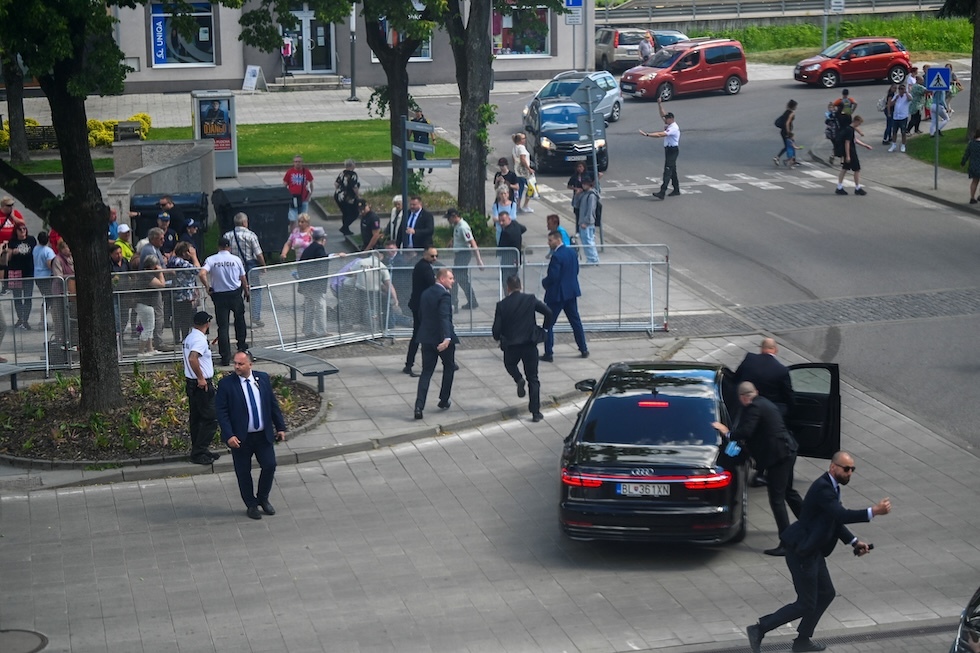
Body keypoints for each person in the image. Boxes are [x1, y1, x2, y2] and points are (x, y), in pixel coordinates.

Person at [746, 451, 892, 653]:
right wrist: (873, 511)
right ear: (833, 467)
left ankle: (802, 641)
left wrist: (854, 542)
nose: (850, 473)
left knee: (826, 593)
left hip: (813, 551)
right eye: (846, 469)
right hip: (801, 551)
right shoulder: (823, 488)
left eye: (852, 470)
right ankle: (759, 628)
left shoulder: (832, 487)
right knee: (806, 603)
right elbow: (841, 514)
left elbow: (834, 519)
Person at [712, 382, 803, 555]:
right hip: (787, 451)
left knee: (777, 499)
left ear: (743, 398)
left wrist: (727, 432)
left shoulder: (753, 408)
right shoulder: (764, 403)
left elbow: (746, 431)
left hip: (779, 457)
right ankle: (810, 523)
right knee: (788, 492)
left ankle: (787, 543)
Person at [215, 350, 287, 520]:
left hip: (262, 436)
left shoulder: (262, 379)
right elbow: (221, 412)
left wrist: (280, 427)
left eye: (240, 364)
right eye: (235, 363)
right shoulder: (227, 384)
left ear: (250, 364)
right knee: (243, 472)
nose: (237, 367)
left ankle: (263, 498)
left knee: (269, 465)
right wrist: (229, 435)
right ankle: (251, 504)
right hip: (241, 438)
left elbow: (272, 404)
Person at [492, 275, 553, 423]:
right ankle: (535, 412)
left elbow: (496, 330)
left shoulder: (502, 305)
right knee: (533, 378)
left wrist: (500, 337)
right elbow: (548, 312)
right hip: (529, 343)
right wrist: (544, 327)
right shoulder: (530, 299)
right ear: (521, 286)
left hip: (512, 345)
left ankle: (518, 378)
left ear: (508, 288)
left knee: (510, 364)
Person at [413, 267, 458, 420]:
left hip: (426, 337)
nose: (453, 281)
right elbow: (444, 317)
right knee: (449, 367)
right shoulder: (444, 295)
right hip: (441, 338)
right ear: (441, 279)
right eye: (450, 278)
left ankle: (419, 406)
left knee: (426, 372)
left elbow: (420, 314)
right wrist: (447, 338)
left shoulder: (426, 293)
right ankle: (444, 399)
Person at [198, 236, 249, 367]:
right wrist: (247, 291)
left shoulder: (211, 259)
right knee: (239, 320)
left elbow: (202, 273)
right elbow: (242, 277)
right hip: (235, 293)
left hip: (219, 295)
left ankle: (225, 356)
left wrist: (207, 286)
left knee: (223, 326)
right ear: (229, 247)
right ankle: (242, 347)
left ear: (218, 247)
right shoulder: (236, 259)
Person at [542, 229, 588, 362]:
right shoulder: (572, 252)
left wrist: (544, 282)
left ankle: (548, 353)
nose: (548, 243)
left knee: (548, 323)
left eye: (550, 240)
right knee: (575, 321)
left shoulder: (557, 256)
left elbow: (553, 276)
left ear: (558, 240)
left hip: (557, 295)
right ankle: (583, 348)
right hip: (571, 292)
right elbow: (576, 270)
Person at [183, 311, 220, 465]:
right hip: (201, 384)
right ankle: (199, 452)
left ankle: (200, 449)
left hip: (191, 383)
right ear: (207, 323)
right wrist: (201, 378)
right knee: (211, 418)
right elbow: (193, 358)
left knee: (197, 418)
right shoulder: (199, 339)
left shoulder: (190, 337)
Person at [223, 212, 266, 327]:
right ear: (244, 222)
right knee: (255, 291)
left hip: (233, 268)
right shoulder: (251, 235)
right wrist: (263, 266)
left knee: (237, 292)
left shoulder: (228, 236)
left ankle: (238, 316)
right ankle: (255, 317)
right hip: (249, 268)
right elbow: (258, 254)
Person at [735, 337, 794, 417]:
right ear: (776, 350)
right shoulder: (782, 370)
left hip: (744, 406)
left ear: (761, 349)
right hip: (768, 410)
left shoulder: (749, 358)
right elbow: (788, 394)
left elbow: (736, 377)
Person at [404, 246, 437, 378]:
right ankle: (409, 364)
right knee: (421, 335)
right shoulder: (425, 268)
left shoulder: (422, 266)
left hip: (419, 305)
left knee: (419, 335)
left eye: (436, 256)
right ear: (425, 255)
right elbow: (432, 284)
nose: (434, 258)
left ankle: (409, 364)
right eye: (432, 256)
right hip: (421, 307)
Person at [641, 97, 680, 200]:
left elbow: (659, 135)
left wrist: (647, 135)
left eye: (666, 119)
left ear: (671, 119)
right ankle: (676, 189)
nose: (664, 120)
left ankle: (662, 192)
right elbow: (662, 114)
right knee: (673, 171)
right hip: (669, 150)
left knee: (667, 171)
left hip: (672, 150)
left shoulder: (673, 128)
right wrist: (659, 104)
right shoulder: (670, 123)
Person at [446, 208, 483, 312]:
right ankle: (471, 301)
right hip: (459, 255)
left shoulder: (463, 227)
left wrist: (479, 260)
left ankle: (455, 303)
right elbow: (457, 236)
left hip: (464, 255)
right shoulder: (457, 225)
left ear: (454, 216)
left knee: (455, 279)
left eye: (449, 218)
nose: (448, 221)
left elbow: (473, 243)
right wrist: (452, 242)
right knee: (461, 280)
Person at [298, 227, 330, 338]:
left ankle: (308, 330)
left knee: (309, 306)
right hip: (315, 284)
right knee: (320, 305)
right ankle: (321, 331)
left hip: (306, 283)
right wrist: (334, 256)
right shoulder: (319, 248)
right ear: (323, 238)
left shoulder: (309, 248)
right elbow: (323, 260)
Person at [166, 241, 201, 343]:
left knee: (178, 317)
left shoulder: (174, 260)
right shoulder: (180, 262)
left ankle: (179, 337)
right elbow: (197, 270)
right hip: (183, 295)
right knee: (184, 318)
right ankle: (183, 338)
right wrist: (194, 257)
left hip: (180, 294)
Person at [4, 222, 36, 329]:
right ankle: (20, 318)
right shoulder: (12, 242)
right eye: (20, 229)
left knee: (28, 297)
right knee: (17, 297)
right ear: (16, 231)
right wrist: (12, 251)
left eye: (24, 229)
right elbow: (7, 257)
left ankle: (25, 320)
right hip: (16, 271)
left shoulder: (31, 240)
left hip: (28, 272)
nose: (22, 231)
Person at [135, 255, 166, 357]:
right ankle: (140, 351)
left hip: (146, 305)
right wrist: (160, 272)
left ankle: (150, 349)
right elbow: (162, 284)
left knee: (149, 327)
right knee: (148, 328)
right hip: (144, 305)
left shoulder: (147, 274)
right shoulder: (147, 275)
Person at [835, 114, 872, 196]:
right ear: (856, 121)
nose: (859, 125)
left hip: (848, 152)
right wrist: (848, 156)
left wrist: (865, 145)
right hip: (850, 152)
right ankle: (857, 188)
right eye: (859, 123)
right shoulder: (850, 130)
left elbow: (854, 140)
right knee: (857, 169)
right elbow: (847, 142)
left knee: (844, 168)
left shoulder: (848, 129)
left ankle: (839, 187)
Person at [283, 154, 314, 232]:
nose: (297, 163)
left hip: (303, 199)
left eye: (299, 162)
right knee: (292, 219)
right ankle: (293, 235)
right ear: (293, 162)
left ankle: (303, 234)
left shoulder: (306, 172)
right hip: (293, 199)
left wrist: (308, 197)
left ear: (302, 162)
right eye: (296, 162)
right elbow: (284, 186)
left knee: (304, 219)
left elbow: (311, 185)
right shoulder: (289, 172)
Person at [33, 231, 55, 333]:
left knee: (46, 299)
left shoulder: (35, 249)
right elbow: (49, 264)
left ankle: (43, 320)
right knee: (51, 299)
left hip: (37, 276)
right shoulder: (48, 251)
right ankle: (47, 321)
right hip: (46, 277)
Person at [576, 176, 600, 264]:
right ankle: (592, 258)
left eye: (584, 184)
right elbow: (576, 205)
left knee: (588, 241)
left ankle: (592, 259)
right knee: (587, 240)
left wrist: (586, 222)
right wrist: (577, 195)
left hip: (587, 223)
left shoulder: (591, 195)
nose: (583, 185)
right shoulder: (584, 194)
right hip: (583, 221)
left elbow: (591, 210)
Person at [496, 210, 526, 283]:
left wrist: (498, 253)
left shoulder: (506, 233)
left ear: (509, 218)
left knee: (507, 280)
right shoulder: (515, 224)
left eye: (503, 221)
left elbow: (501, 247)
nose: (501, 223)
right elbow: (524, 229)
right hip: (517, 258)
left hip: (508, 259)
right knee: (515, 278)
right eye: (499, 221)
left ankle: (509, 293)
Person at [334, 159, 360, 236]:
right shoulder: (353, 174)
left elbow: (336, 184)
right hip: (348, 197)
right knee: (355, 213)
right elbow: (354, 186)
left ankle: (346, 229)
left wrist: (339, 191)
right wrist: (358, 196)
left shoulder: (342, 173)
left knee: (345, 213)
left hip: (338, 196)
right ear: (352, 166)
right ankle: (344, 227)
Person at [511, 133, 535, 213]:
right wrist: (529, 169)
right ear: (520, 140)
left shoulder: (514, 148)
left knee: (520, 189)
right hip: (524, 172)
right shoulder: (521, 148)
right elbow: (523, 159)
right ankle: (525, 205)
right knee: (531, 188)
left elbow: (514, 160)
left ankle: (517, 206)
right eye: (523, 138)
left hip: (518, 171)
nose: (525, 140)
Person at [887, 83, 912, 153]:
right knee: (894, 132)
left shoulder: (907, 96)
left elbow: (910, 99)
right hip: (896, 117)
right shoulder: (896, 96)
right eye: (900, 89)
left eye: (902, 89)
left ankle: (903, 145)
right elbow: (891, 104)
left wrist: (906, 92)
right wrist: (895, 99)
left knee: (903, 132)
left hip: (903, 117)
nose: (901, 90)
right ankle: (893, 145)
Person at [409, 108, 435, 175]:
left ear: (421, 113)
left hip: (423, 140)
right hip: (416, 140)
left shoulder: (425, 121)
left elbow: (431, 130)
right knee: (417, 156)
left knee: (420, 155)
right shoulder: (413, 121)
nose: (417, 113)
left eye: (418, 112)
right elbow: (410, 131)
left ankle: (423, 169)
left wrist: (433, 139)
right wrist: (407, 138)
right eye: (416, 112)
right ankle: (423, 167)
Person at [774, 99, 799, 168]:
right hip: (786, 132)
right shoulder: (791, 113)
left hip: (783, 131)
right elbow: (787, 123)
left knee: (788, 146)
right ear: (793, 106)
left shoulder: (786, 112)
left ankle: (792, 160)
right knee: (790, 145)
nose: (796, 107)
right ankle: (779, 158)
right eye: (796, 106)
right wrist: (789, 133)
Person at [961, 129, 980, 204]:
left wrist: (963, 163)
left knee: (974, 181)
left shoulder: (971, 143)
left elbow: (966, 154)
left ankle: (972, 198)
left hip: (973, 166)